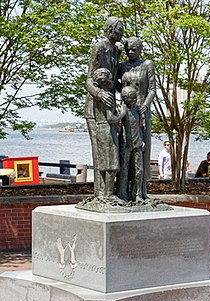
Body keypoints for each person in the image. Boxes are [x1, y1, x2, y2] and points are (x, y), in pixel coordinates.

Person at [84, 17, 124, 196]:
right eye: (119, 29)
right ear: (110, 29)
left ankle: (108, 193)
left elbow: (115, 81)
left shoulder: (116, 51)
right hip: (95, 107)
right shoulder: (99, 47)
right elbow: (88, 80)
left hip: (111, 104)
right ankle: (100, 195)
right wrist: (99, 94)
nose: (121, 32)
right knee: (99, 151)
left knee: (111, 151)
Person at [119, 37, 156, 198]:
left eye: (134, 49)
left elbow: (153, 89)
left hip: (142, 112)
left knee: (142, 152)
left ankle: (140, 192)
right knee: (125, 152)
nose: (131, 52)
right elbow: (113, 85)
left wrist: (145, 105)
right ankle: (123, 192)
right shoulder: (122, 67)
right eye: (128, 49)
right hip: (126, 112)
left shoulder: (147, 65)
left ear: (140, 49)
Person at [91, 68, 126, 197]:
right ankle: (108, 193)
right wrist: (122, 113)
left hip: (100, 128)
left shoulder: (96, 97)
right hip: (107, 129)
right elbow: (111, 118)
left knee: (103, 162)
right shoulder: (107, 95)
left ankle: (103, 193)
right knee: (112, 164)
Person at [117, 86, 144, 202]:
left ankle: (137, 195)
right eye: (131, 98)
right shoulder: (120, 110)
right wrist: (121, 115)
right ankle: (122, 194)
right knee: (124, 171)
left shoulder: (137, 110)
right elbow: (117, 128)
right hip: (125, 144)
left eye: (135, 98)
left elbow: (140, 127)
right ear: (124, 98)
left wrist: (142, 141)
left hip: (137, 144)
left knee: (139, 171)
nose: (134, 100)